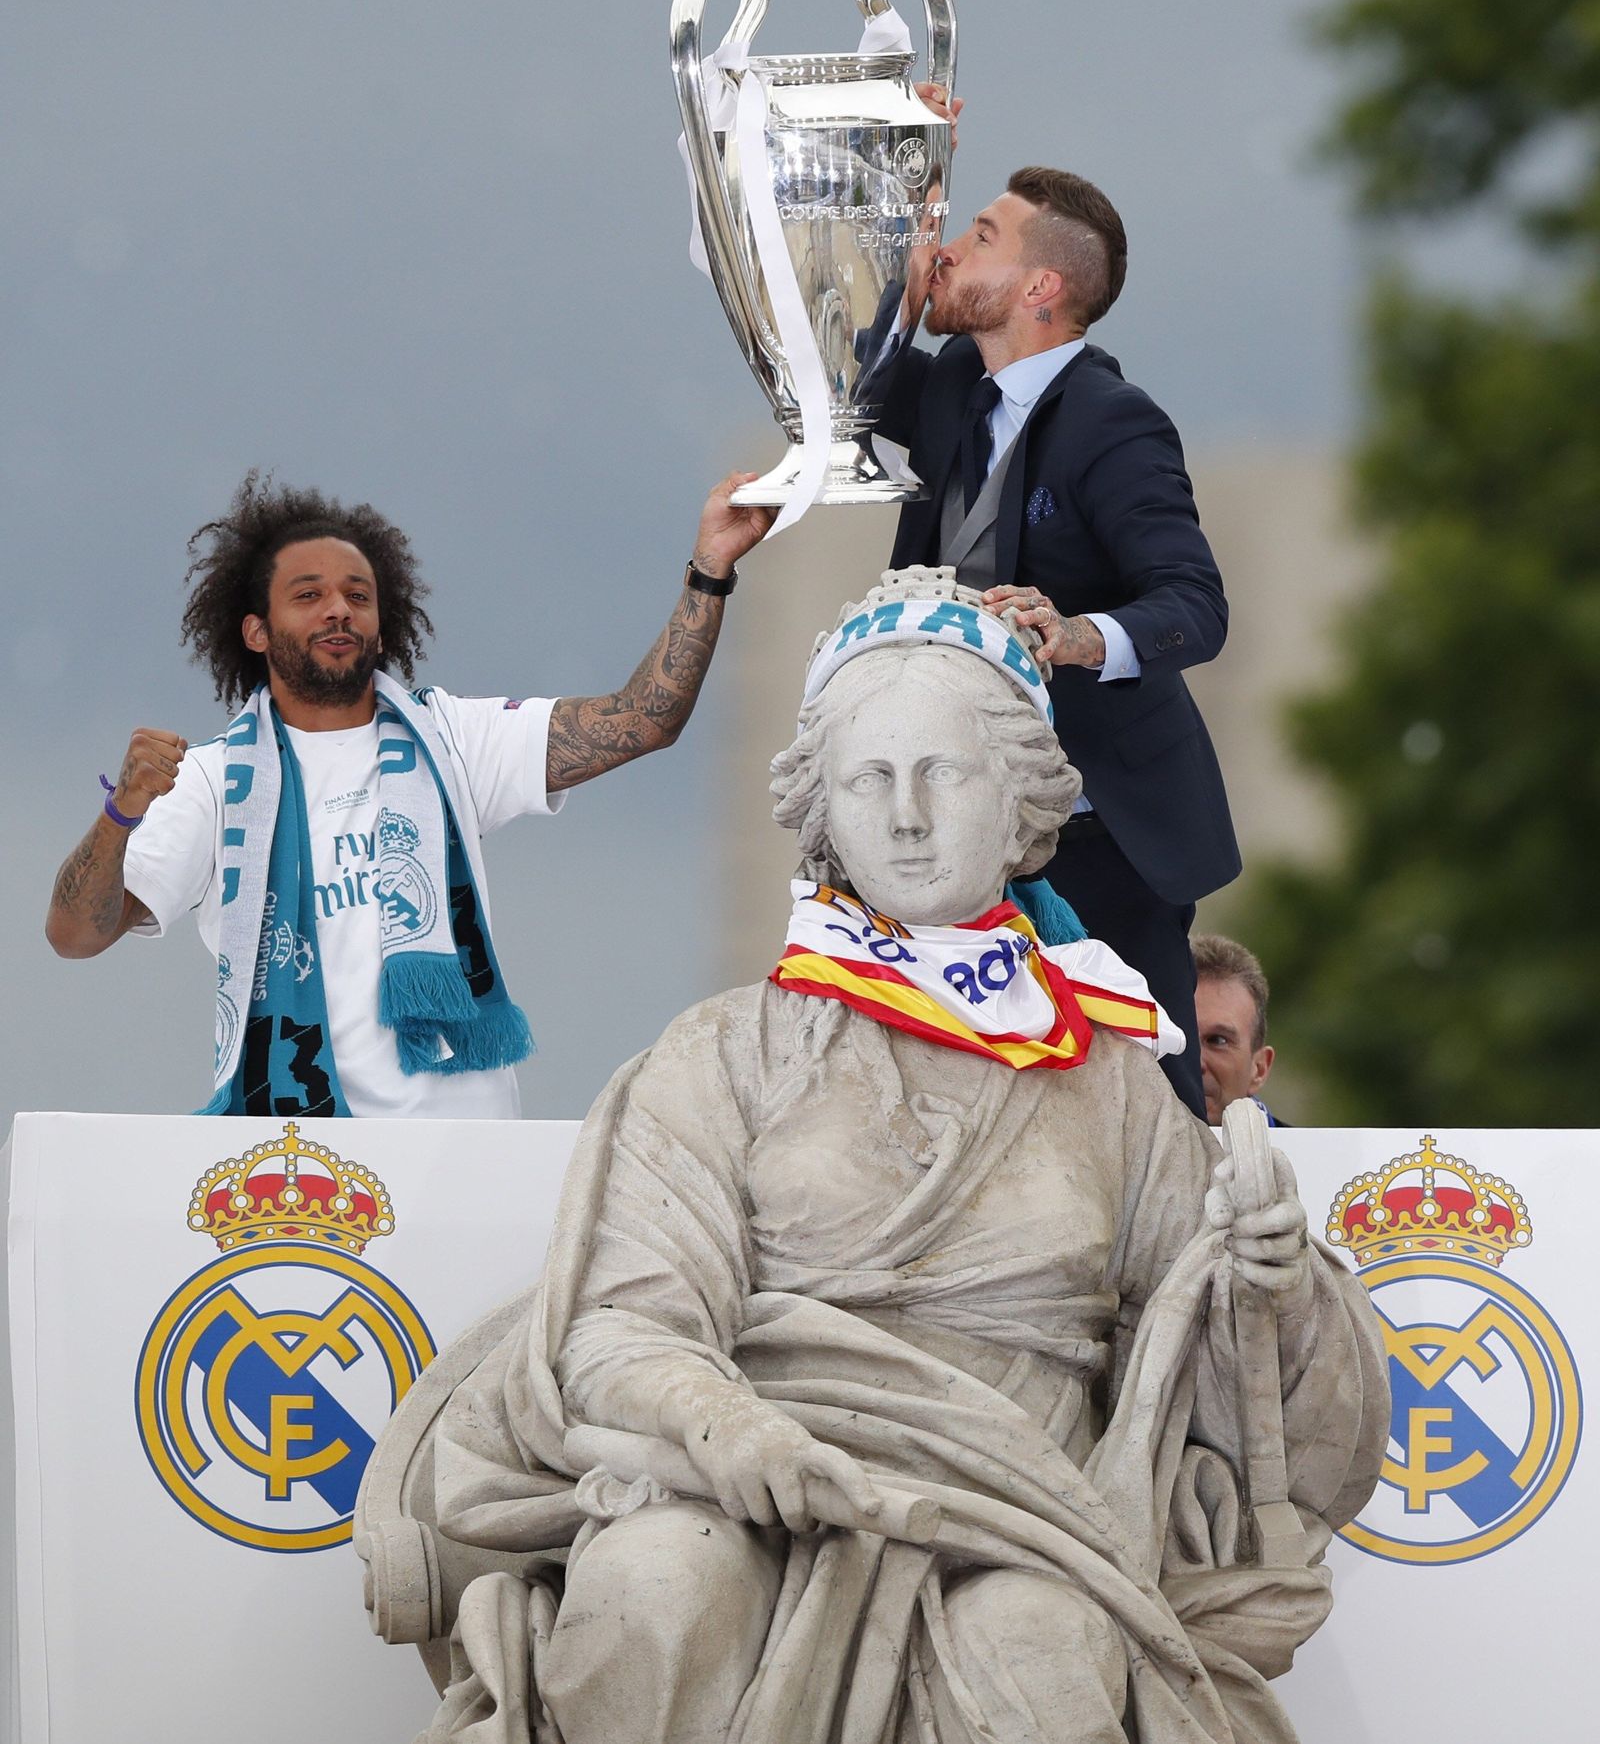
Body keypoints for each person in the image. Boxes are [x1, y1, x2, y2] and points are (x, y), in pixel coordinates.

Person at [357, 570, 1385, 1744]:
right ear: (824, 809)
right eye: (869, 777)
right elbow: (621, 1325)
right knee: (656, 1588)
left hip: (1019, 1511)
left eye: (942, 772)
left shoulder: (1110, 1081)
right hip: (742, 1479)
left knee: (1039, 1663)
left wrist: (1274, 1282)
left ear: (1020, 801)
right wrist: (724, 1427)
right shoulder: (722, 1052)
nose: (904, 814)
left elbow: (1233, 1390)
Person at [44, 470, 773, 1118]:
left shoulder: (450, 735)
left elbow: (641, 720)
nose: (339, 610)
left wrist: (709, 569)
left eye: (358, 595)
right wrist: (123, 811)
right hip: (304, 1167)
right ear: (257, 631)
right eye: (309, 596)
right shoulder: (211, 780)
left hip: (460, 1161)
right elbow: (76, 933)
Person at [873, 158, 1239, 1120]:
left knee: (1146, 1119)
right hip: (959, 823)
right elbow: (829, 367)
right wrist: (892, 165)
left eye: (982, 236)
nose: (952, 248)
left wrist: (1076, 635)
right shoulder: (957, 384)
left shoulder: (1117, 425)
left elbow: (1196, 605)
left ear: (1043, 288)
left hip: (1101, 830)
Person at [1192, 930, 1280, 1126]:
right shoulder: (1113, 1152)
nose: (1196, 1063)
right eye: (1181, 1040)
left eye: (1217, 1040)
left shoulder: (1311, 1156)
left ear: (1259, 1069)